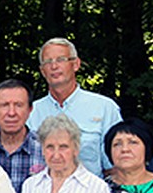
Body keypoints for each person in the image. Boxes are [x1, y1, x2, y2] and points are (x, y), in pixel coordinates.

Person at [27, 37, 123, 176]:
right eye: (48, 62)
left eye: (61, 59)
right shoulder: (30, 112)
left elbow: (115, 167)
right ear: (42, 71)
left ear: (76, 64)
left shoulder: (104, 108)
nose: (54, 66)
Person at [0, 79, 46, 193]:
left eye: (19, 105)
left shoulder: (46, 149)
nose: (11, 113)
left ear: (29, 110)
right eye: (4, 105)